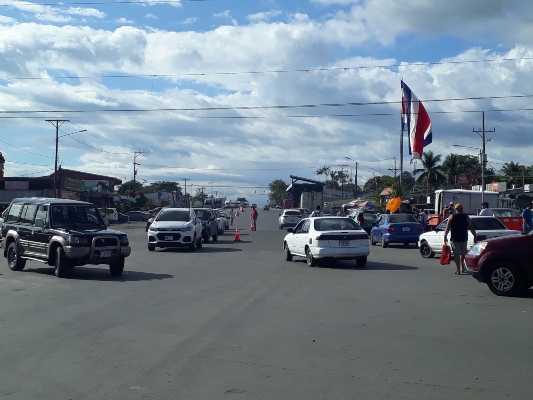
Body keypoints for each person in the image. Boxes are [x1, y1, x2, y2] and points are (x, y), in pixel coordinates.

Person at [443, 203, 477, 275]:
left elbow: (447, 228)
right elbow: (471, 227)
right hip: (463, 238)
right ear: (461, 209)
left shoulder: (451, 216)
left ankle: (458, 269)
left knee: (457, 254)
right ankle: (462, 268)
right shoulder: (466, 217)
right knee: (463, 254)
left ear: (456, 209)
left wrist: (445, 236)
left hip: (455, 238)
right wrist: (475, 236)